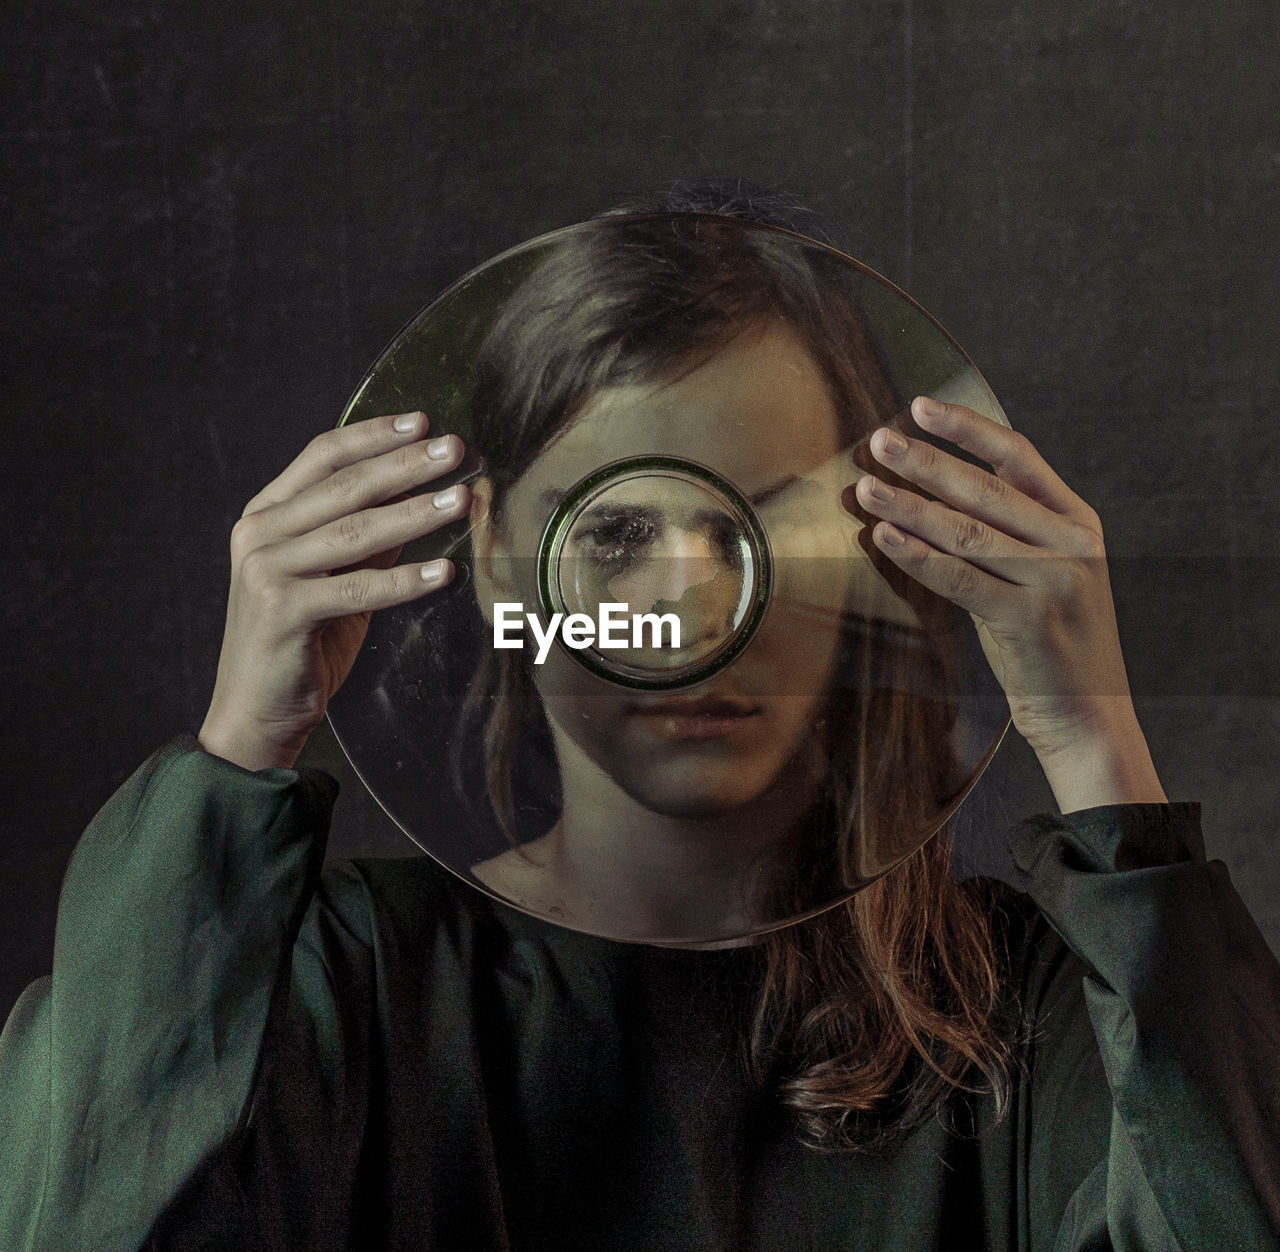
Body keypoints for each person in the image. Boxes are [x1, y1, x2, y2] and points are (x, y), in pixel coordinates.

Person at [2, 188, 1279, 1250]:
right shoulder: (341, 982)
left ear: (883, 550)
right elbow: (76, 1214)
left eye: (765, 518)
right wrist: (239, 750)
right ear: (500, 551)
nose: (687, 609)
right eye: (612, 530)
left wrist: (1097, 751)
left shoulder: (1029, 1009)